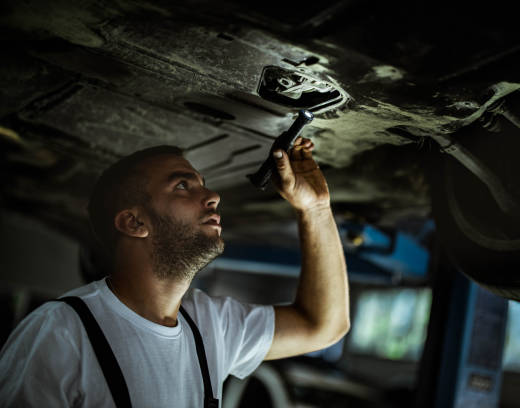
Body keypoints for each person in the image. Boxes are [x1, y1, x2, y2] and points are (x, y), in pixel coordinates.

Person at [0, 137, 350, 407]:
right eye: (183, 185)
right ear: (135, 222)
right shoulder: (60, 332)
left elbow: (324, 325)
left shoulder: (210, 324)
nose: (212, 195)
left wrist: (316, 209)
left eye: (201, 182)